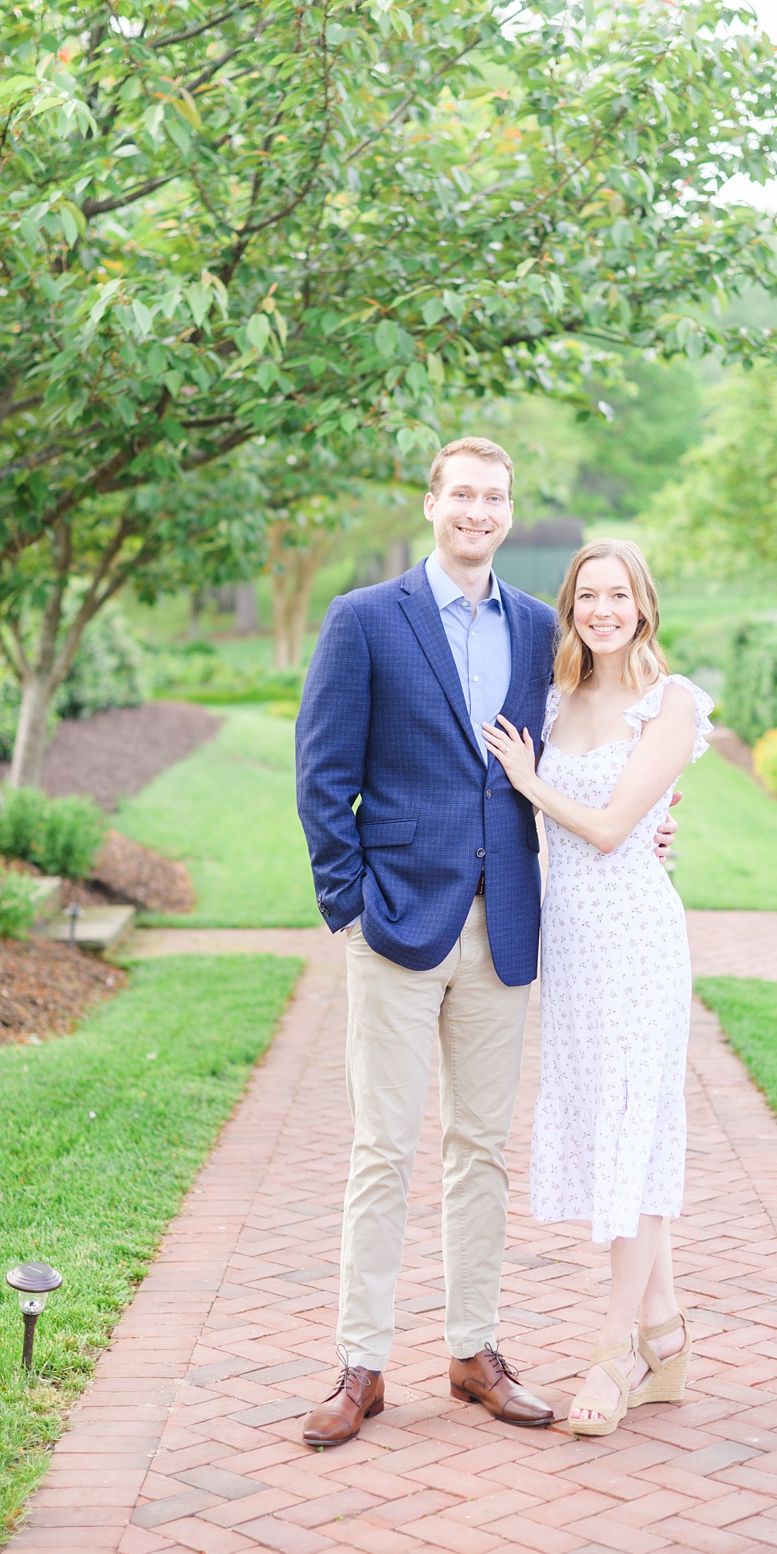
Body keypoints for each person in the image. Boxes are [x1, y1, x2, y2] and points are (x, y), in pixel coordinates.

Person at [291, 436, 562, 1446]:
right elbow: (323, 775)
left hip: (505, 926)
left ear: (507, 509)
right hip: (397, 921)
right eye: (462, 494)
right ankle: (361, 1365)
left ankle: (472, 1349)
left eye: (494, 496)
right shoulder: (366, 619)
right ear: (431, 502)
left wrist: (645, 814)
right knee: (382, 1147)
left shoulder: (536, 628)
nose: (477, 510)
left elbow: (565, 754)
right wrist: (350, 904)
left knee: (481, 1147)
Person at [480, 538, 707, 1435]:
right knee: (614, 1128)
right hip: (572, 944)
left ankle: (613, 1356)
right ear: (570, 608)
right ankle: (668, 1335)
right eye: (587, 597)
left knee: (635, 1133)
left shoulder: (673, 704)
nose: (603, 610)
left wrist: (531, 784)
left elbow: (616, 829)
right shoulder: (557, 697)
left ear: (644, 604)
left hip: (639, 941)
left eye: (619, 595)